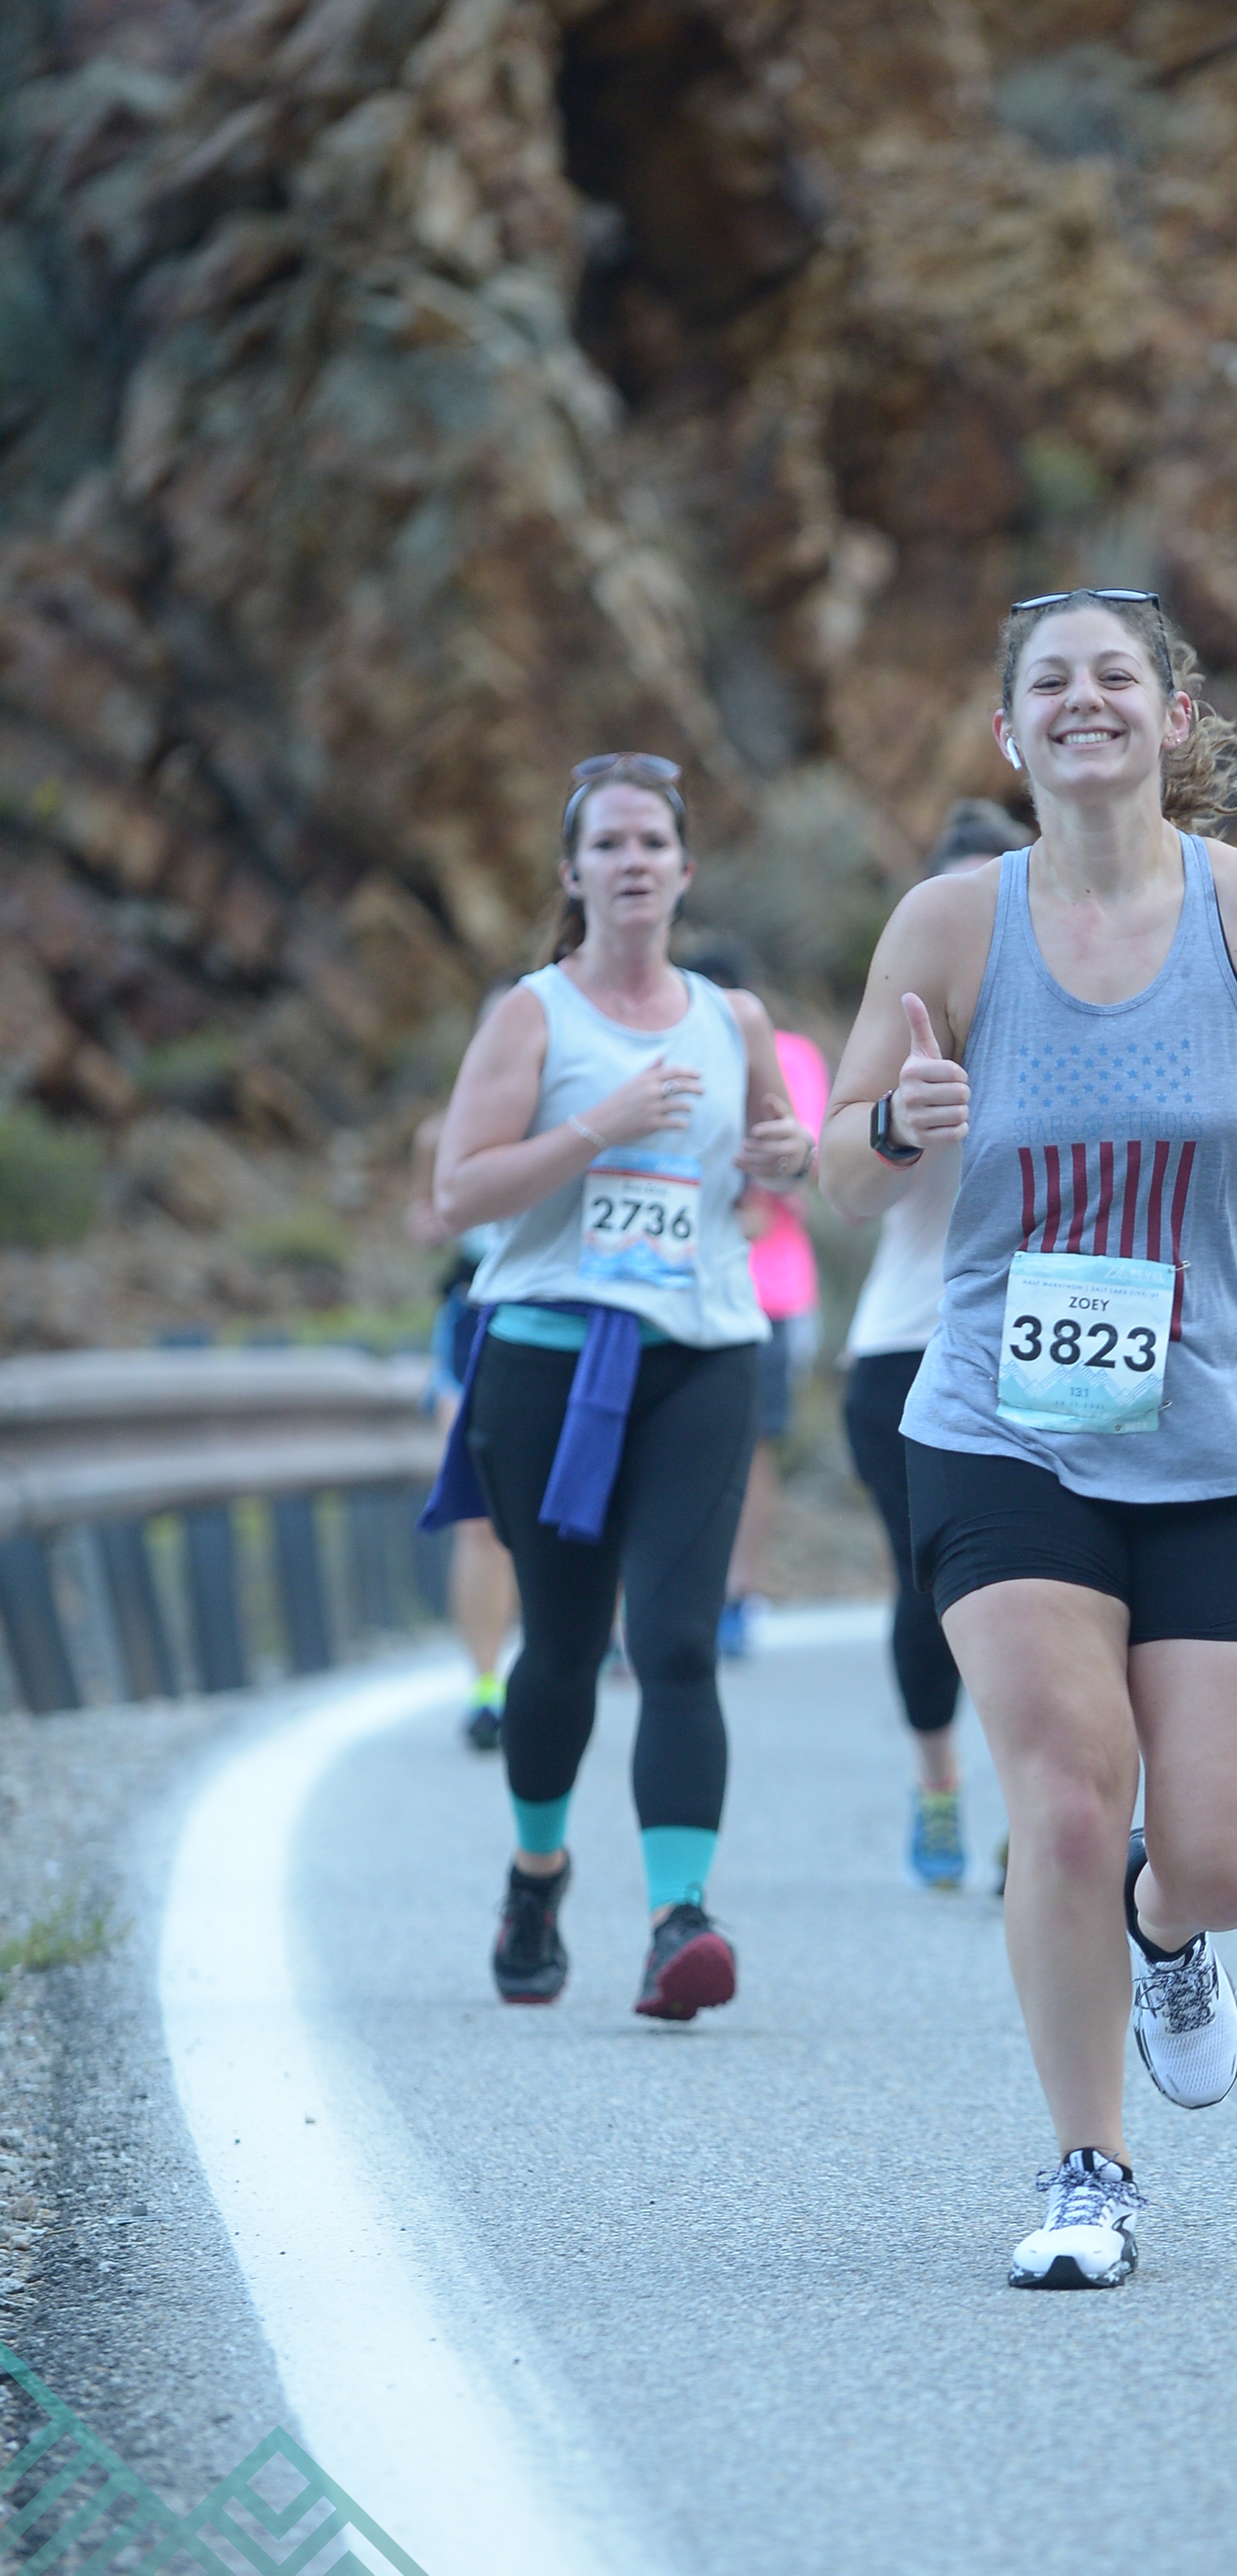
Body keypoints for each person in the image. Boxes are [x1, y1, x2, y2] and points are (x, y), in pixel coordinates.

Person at [820, 589, 1237, 2289]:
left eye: (1114, 676)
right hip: (1003, 1422)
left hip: (1218, 1422)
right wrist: (898, 1122)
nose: (1084, 702)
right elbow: (840, 1175)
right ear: (1010, 731)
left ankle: (1169, 1934)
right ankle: (1090, 2169)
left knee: (1222, 1856)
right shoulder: (949, 923)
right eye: (1050, 682)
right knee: (1067, 1804)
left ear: (1171, 713)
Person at [423, 754, 814, 2013]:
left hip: (701, 1353)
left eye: (652, 842)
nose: (632, 861)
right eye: (608, 844)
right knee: (562, 1648)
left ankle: (676, 1920)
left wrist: (787, 1153)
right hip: (546, 1358)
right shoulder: (532, 1016)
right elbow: (458, 1193)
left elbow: (772, 1166)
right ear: (573, 873)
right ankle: (537, 1875)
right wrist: (603, 1123)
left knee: (677, 1642)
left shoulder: (731, 1018)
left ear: (685, 870)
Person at [838, 797, 1033, 1889]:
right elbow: (842, 1182)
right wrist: (899, 1119)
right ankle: (936, 1781)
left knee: (1049, 1593)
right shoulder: (903, 1030)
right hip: (905, 1349)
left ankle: (1038, 1805)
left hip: (1043, 1348)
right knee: (933, 1590)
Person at [406, 1011, 519, 1747]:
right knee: (479, 1516)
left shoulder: (591, 1122)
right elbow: (423, 1220)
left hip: (567, 1316)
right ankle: (486, 1686)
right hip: (473, 1320)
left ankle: (591, 1645)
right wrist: (442, 1216)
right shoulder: (439, 1133)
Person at [718, 1008, 832, 1656]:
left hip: (769, 1290)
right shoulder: (664, 1037)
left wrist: (763, 1191)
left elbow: (808, 1160)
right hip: (692, 1285)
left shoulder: (790, 1053)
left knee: (752, 1444)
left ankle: (737, 1595)